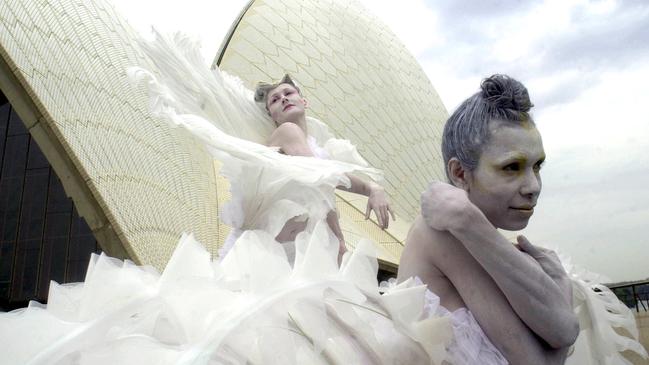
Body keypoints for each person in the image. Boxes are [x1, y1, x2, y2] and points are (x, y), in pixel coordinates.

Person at [398, 74, 579, 364]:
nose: (533, 186)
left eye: (537, 166)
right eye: (511, 167)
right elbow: (557, 337)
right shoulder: (441, 231)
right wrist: (562, 284)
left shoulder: (472, 238)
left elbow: (560, 332)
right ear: (459, 174)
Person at [253, 74, 395, 258]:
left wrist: (339, 241)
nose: (283, 98)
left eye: (288, 92)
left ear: (304, 101)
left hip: (303, 247)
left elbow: (324, 192)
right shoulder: (287, 131)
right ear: (272, 116)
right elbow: (320, 177)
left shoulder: (313, 145)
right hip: (277, 251)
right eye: (275, 100)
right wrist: (371, 188)